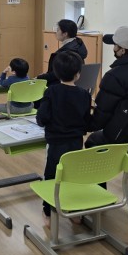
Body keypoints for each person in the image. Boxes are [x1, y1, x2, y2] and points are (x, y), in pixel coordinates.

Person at [36, 51, 91, 225]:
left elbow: (42, 118)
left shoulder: (51, 91)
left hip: (55, 142)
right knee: (73, 175)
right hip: (76, 142)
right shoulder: (84, 94)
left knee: (52, 175)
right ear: (78, 74)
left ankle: (48, 212)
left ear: (56, 72)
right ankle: (75, 212)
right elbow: (86, 121)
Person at [37, 19, 88, 88]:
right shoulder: (78, 44)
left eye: (58, 30)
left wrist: (40, 77)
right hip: (73, 83)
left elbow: (56, 74)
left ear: (65, 34)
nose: (56, 32)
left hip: (61, 85)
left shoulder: (65, 52)